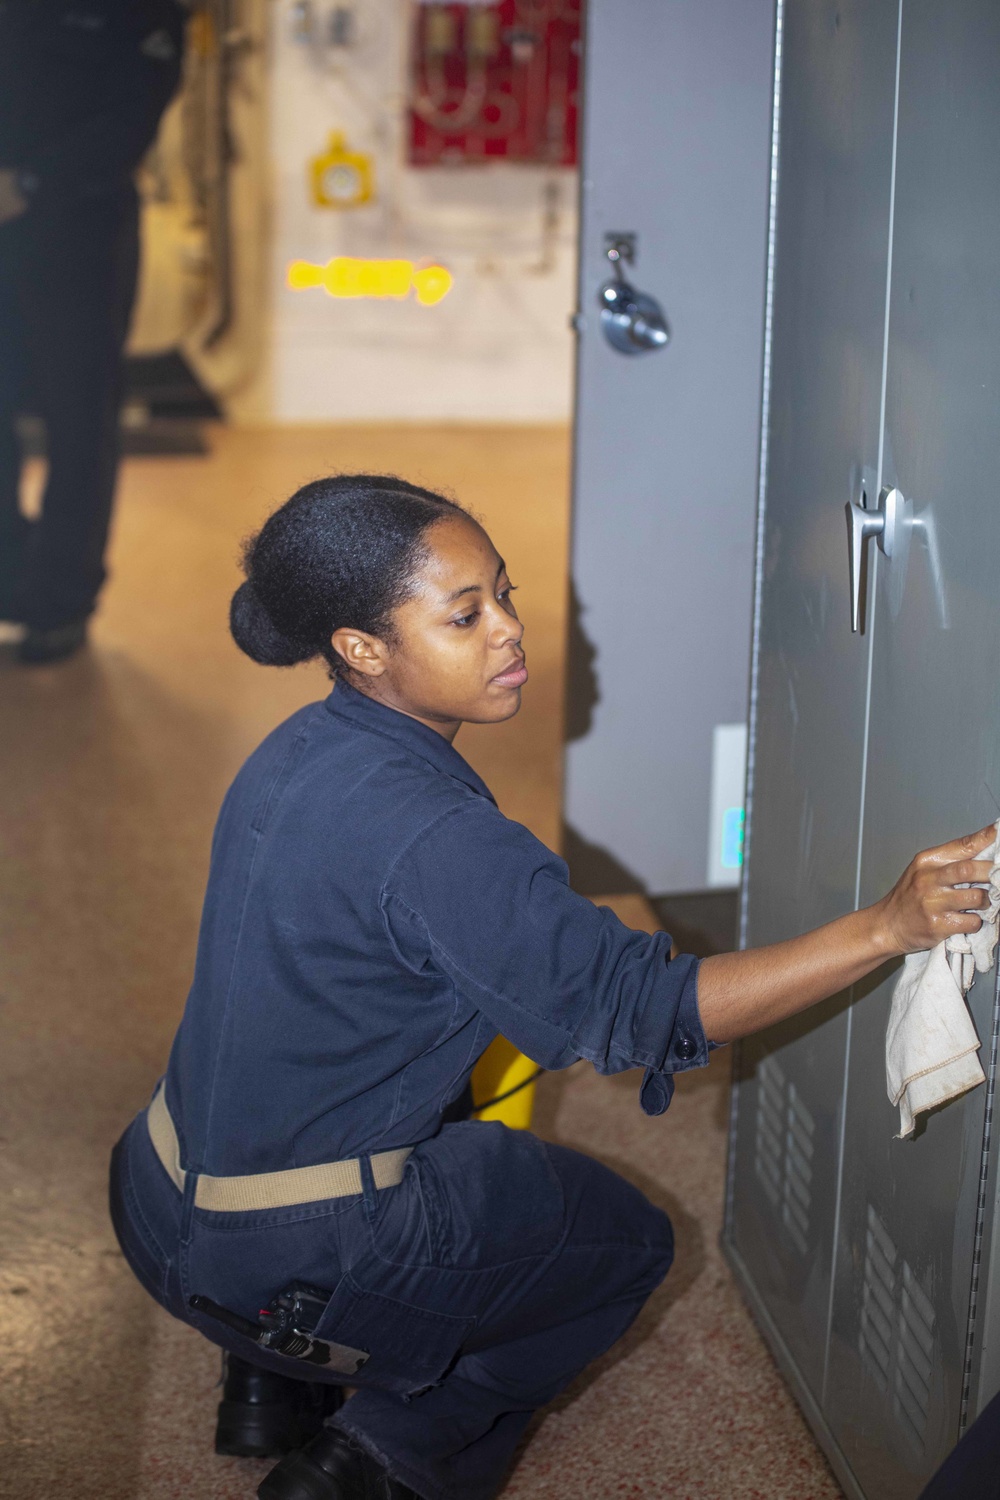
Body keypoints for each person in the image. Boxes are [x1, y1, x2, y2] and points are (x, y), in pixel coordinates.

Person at [108, 474, 996, 1500]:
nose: (511, 632)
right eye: (464, 614)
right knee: (624, 1243)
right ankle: (375, 1462)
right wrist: (884, 925)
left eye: (505, 594)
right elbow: (650, 1013)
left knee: (380, 1100)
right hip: (286, 1260)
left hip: (156, 1198)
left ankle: (266, 1388)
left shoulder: (288, 754)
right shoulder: (441, 838)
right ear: (360, 647)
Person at [0, 0, 184, 665]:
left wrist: (29, 180)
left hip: (79, 231)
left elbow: (129, 118)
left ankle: (60, 601)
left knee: (77, 419)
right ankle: (9, 578)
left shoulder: (143, 13)